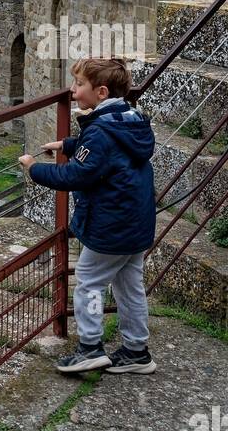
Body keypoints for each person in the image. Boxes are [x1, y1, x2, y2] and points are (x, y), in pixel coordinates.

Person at [19, 57, 157, 375]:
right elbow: (110, 151)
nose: (73, 90)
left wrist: (34, 169)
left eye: (79, 84)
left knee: (89, 283)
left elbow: (76, 175)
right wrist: (69, 144)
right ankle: (137, 351)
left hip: (110, 224)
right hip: (136, 222)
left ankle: (90, 347)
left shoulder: (100, 133)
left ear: (101, 92)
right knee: (130, 286)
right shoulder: (131, 119)